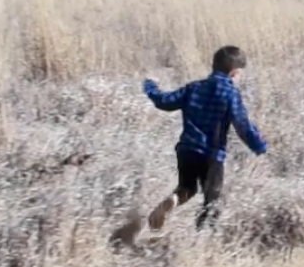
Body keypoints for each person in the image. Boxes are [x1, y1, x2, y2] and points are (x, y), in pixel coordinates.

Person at [110, 45, 268, 246]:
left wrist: (150, 86)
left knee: (187, 188)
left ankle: (171, 202)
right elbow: (242, 124)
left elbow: (164, 102)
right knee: (212, 200)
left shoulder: (194, 87)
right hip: (212, 156)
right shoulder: (230, 94)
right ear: (234, 73)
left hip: (187, 150)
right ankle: (203, 243)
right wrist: (259, 146)